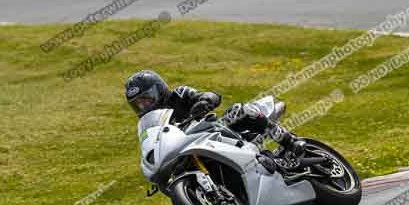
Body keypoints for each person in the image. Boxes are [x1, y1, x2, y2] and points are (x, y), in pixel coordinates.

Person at [124, 70, 306, 160]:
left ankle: (289, 141)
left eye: (147, 99)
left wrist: (204, 102)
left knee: (238, 110)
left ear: (159, 90)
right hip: (192, 151)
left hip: (214, 132)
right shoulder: (151, 125)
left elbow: (211, 95)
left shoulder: (178, 94)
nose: (143, 105)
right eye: (137, 104)